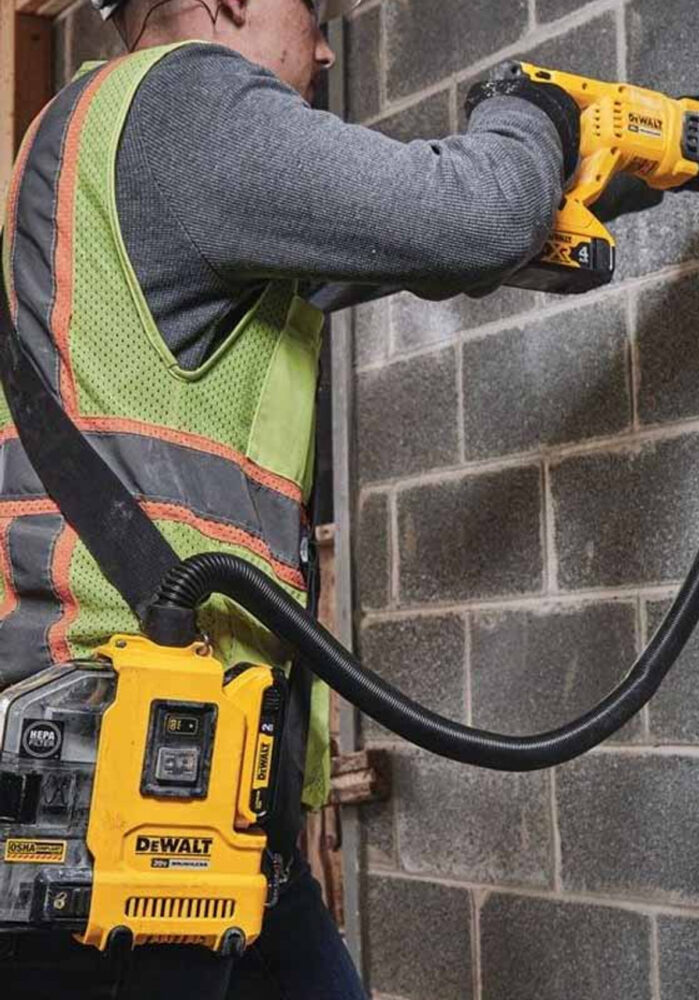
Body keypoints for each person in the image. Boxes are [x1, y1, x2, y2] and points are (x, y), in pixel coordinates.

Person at [1, 0, 584, 995]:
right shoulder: (188, 105)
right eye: (310, 9)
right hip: (128, 805)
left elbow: (435, 244)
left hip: (205, 792)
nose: (324, 47)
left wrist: (624, 169)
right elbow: (476, 215)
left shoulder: (103, 144)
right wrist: (536, 106)